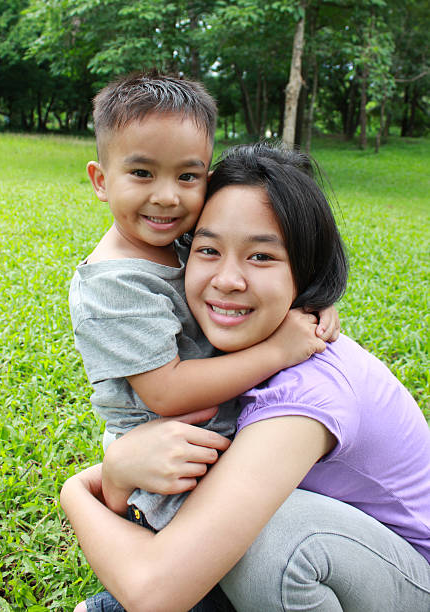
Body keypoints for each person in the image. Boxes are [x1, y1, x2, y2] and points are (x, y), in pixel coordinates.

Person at [62, 143, 430, 611]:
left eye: (261, 257)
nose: (227, 279)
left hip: (410, 577)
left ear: (306, 267)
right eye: (209, 249)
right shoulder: (231, 349)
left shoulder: (304, 392)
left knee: (275, 544)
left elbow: (155, 594)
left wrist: (75, 492)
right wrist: (116, 472)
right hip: (349, 550)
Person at [69, 73, 338, 610]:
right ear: (101, 179)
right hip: (170, 475)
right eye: (141, 172)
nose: (167, 197)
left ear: (206, 178)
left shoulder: (182, 240)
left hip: (209, 457)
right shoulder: (115, 286)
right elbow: (165, 391)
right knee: (211, 584)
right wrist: (277, 350)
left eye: (187, 176)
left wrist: (312, 296)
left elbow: (258, 261)